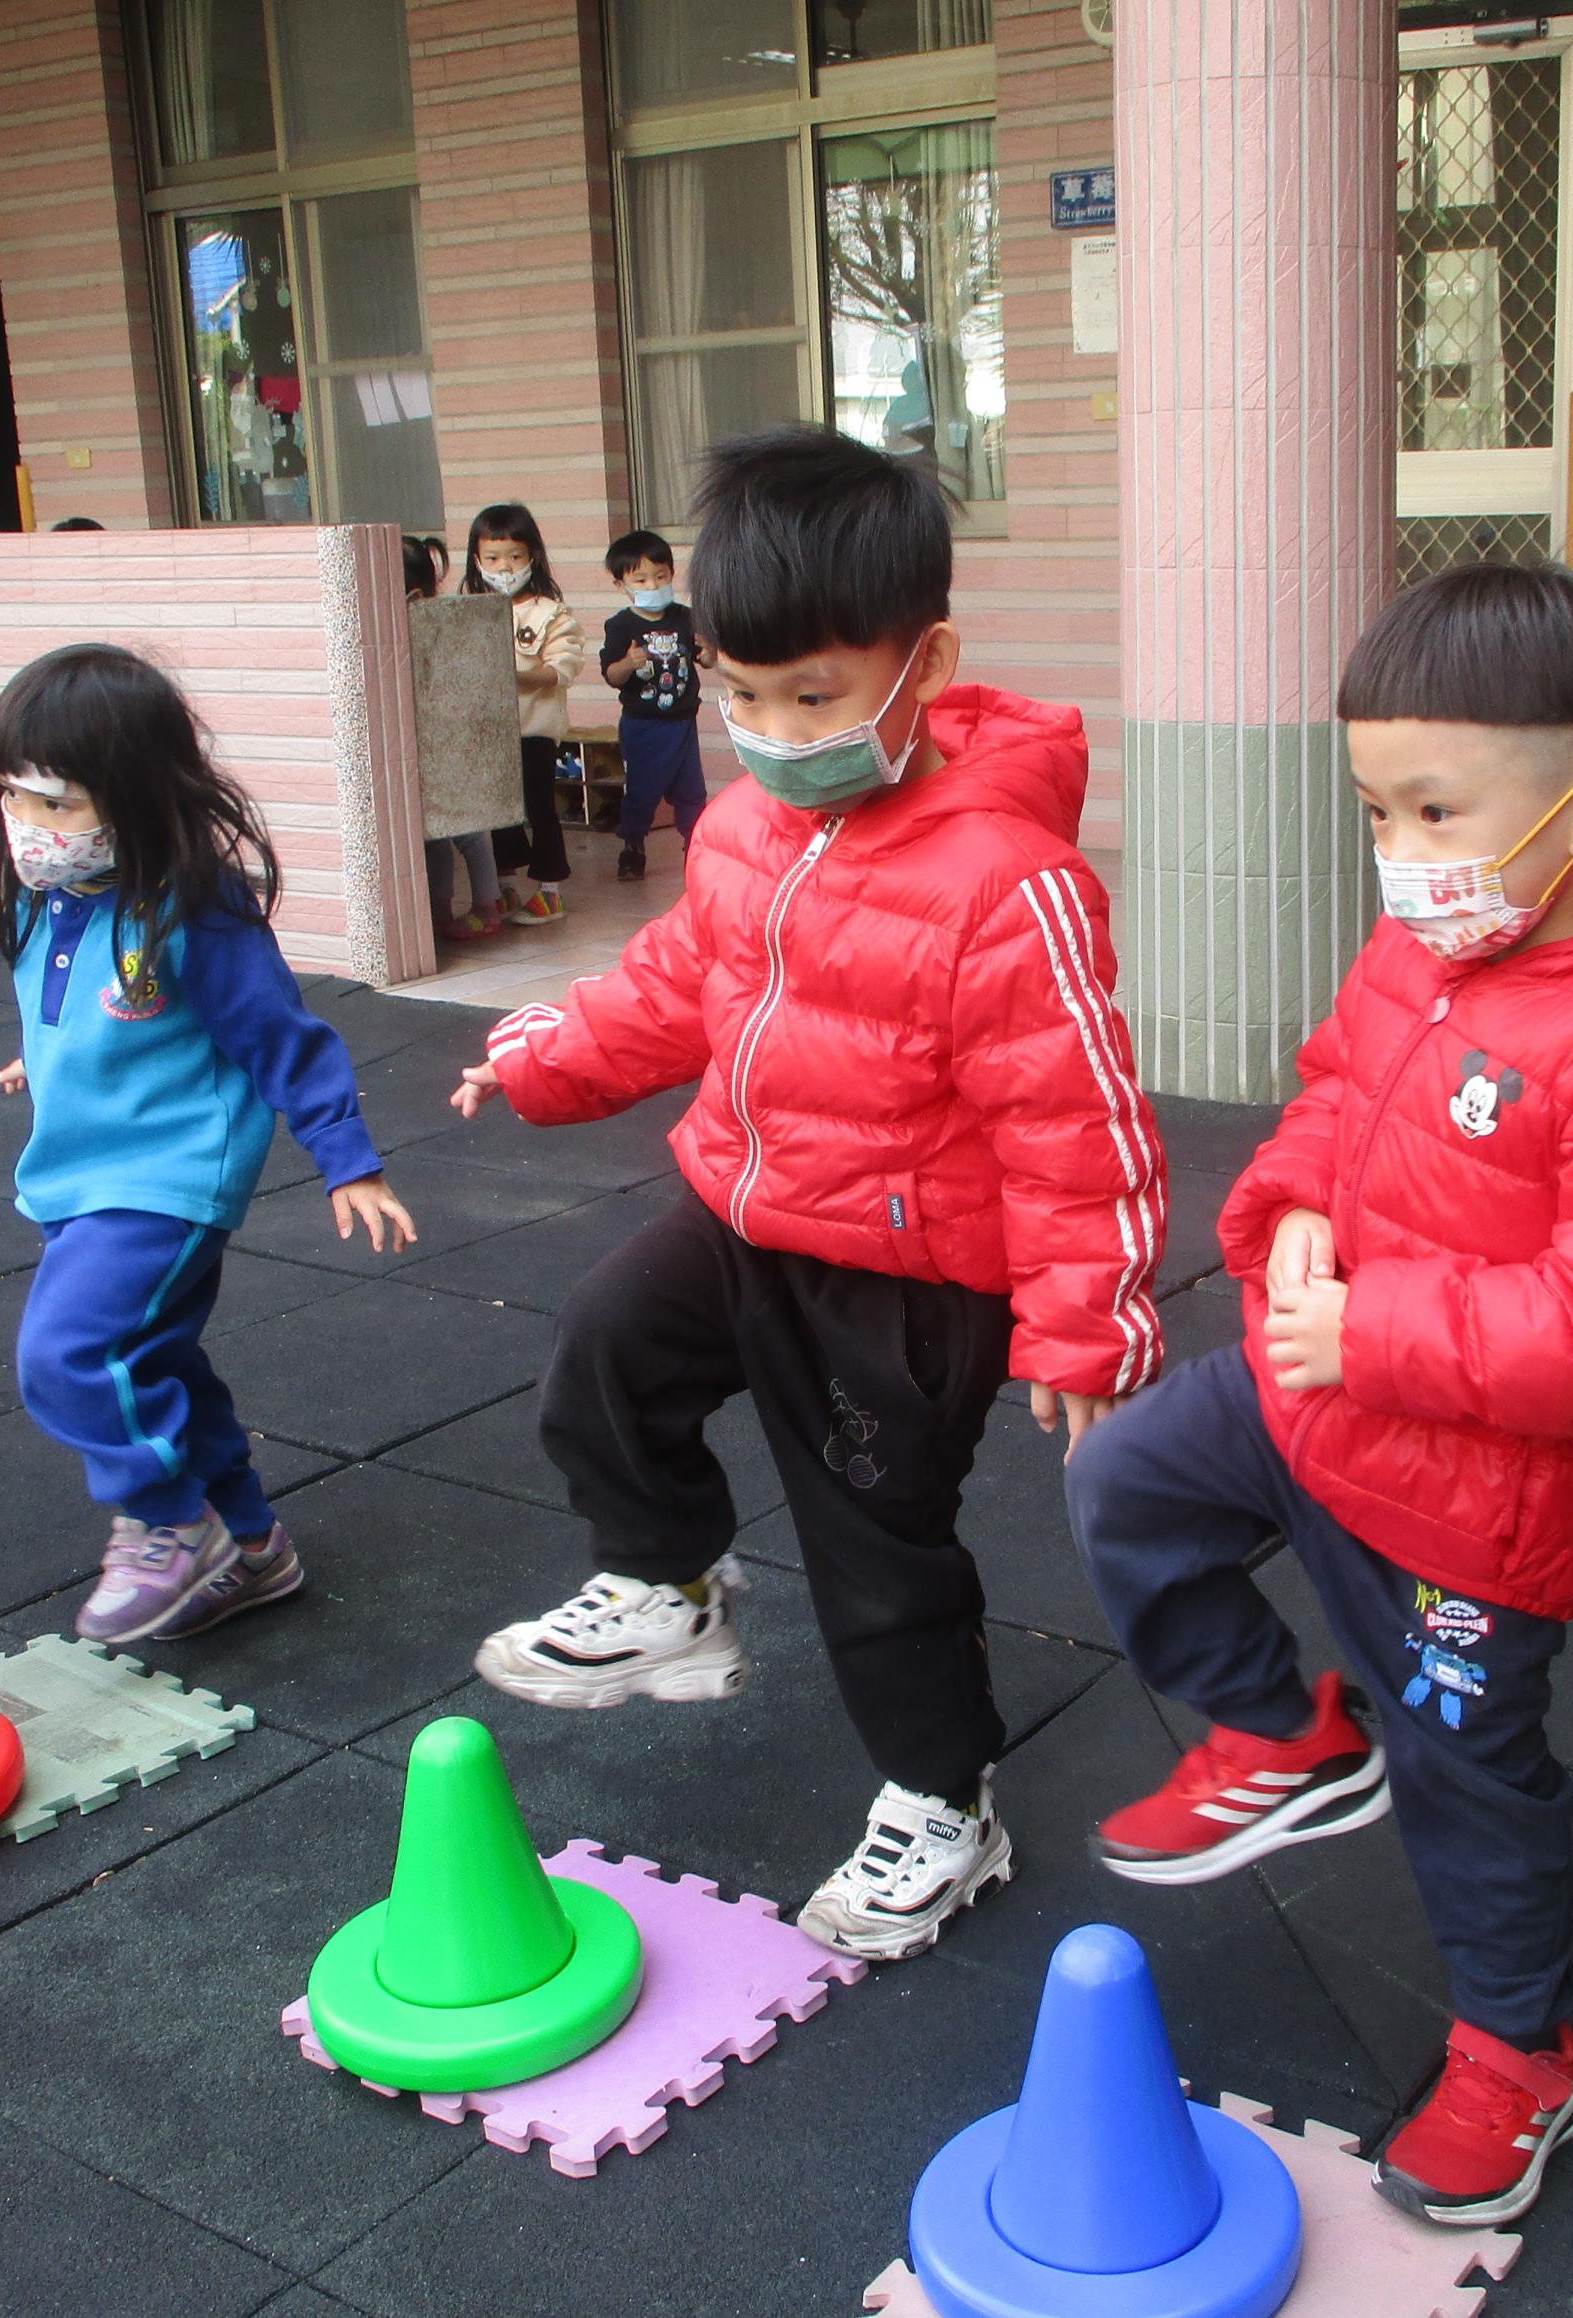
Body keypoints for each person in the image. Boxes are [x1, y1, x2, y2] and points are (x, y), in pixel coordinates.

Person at [1062, 564, 1573, 2228]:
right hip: (1314, 1399)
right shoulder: (1418, 950)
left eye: (1433, 809)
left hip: (1472, 1509)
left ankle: (1515, 2050)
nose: (1399, 852)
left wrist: (1377, 1329)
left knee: (1470, 1779)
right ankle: (1281, 1727)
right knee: (1126, 1483)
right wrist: (1291, 1203)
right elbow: (1334, 1092)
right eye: (1375, 809)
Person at [453, 426, 1167, 1963]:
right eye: (742, 694)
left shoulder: (1006, 881)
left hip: (902, 1282)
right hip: (743, 1215)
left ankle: (942, 1798)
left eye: (815, 697)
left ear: (925, 665)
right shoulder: (742, 828)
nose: (774, 732)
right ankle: (667, 1577)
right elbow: (671, 986)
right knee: (604, 1345)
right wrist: (540, 1058)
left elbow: (1075, 1121)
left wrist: (1087, 1328)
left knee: (871, 1543)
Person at [0, 643, 417, 1644]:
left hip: (166, 1178)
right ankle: (253, 1544)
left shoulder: (192, 907)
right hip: (77, 1171)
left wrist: (345, 1155)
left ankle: (172, 1524)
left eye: (58, 803)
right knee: (158, 1358)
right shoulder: (48, 895)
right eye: (13, 796)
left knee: (66, 1352)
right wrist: (43, 1054)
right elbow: (80, 1005)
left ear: (136, 794)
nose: (31, 825)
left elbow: (280, 1035)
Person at [464, 503, 582, 926]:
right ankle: (505, 886)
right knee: (497, 811)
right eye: (493, 557)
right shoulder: (469, 611)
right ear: (477, 559)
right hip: (488, 733)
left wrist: (513, 676)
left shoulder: (551, 613)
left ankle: (551, 890)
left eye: (514, 556)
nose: (504, 567)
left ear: (532, 555)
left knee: (539, 807)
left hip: (534, 731)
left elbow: (561, 670)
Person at [403, 534, 520, 946]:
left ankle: (487, 905)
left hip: (454, 739)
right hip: (428, 741)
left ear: (414, 593)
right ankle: (439, 907)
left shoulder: (445, 622)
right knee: (433, 829)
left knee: (469, 829)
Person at [597, 527, 709, 882]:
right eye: (641, 580)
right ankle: (633, 846)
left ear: (672, 574)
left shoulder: (685, 617)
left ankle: (695, 848)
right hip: (642, 724)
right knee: (642, 791)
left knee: (692, 792)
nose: (653, 585)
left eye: (660, 577)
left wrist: (710, 650)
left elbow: (706, 659)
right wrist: (627, 664)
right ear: (621, 584)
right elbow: (611, 675)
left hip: (683, 722)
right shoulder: (620, 626)